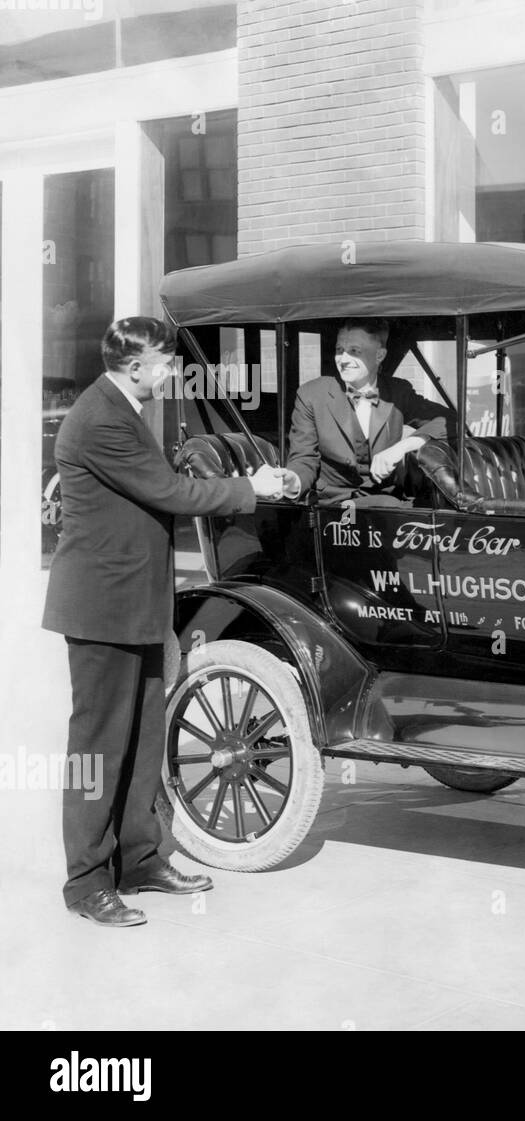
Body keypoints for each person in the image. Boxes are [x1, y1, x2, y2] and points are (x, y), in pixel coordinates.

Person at [42, 316, 286, 928]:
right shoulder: (100, 418)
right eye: (165, 361)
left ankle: (141, 857)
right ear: (134, 367)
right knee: (98, 746)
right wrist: (248, 488)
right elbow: (169, 492)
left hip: (136, 605)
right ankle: (86, 882)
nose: (173, 370)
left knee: (144, 737)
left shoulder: (121, 409)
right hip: (103, 609)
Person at [281, 319, 454, 504]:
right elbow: (303, 457)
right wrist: (293, 481)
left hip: (387, 498)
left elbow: (450, 421)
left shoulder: (398, 391)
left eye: (354, 351)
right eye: (339, 350)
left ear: (379, 355)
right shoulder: (312, 394)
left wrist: (403, 447)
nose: (343, 360)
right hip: (333, 505)